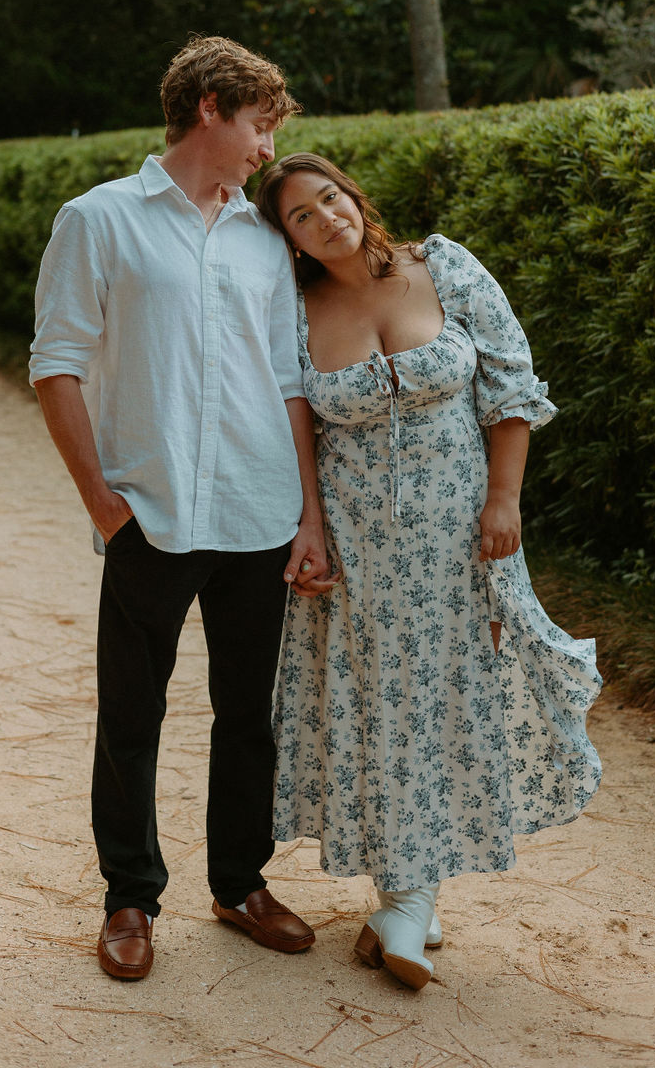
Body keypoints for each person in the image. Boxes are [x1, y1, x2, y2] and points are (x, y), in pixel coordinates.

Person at [255, 153, 602, 990]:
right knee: (381, 701)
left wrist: (505, 501)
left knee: (450, 692)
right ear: (290, 241)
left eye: (329, 197)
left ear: (353, 195)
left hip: (461, 536)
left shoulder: (442, 265)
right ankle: (407, 899)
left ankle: (413, 890)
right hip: (360, 544)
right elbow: (295, 425)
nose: (325, 217)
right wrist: (310, 530)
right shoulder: (297, 310)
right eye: (301, 215)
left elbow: (510, 386)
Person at [29, 39, 333, 982]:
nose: (265, 145)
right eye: (259, 123)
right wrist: (101, 500)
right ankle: (129, 897)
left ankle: (240, 883)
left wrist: (310, 517)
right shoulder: (99, 220)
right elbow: (57, 362)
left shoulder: (262, 237)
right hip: (150, 517)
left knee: (249, 712)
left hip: (259, 512)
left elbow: (290, 378)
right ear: (210, 108)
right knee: (132, 713)